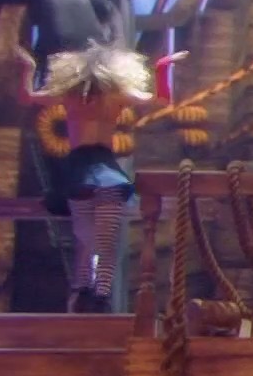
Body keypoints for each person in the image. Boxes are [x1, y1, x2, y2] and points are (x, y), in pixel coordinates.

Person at [14, 43, 185, 314]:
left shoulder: (94, 95)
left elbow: (27, 97)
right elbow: (162, 100)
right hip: (91, 171)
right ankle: (90, 291)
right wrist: (28, 67)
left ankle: (93, 291)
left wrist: (162, 68)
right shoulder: (96, 95)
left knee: (94, 237)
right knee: (95, 237)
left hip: (96, 170)